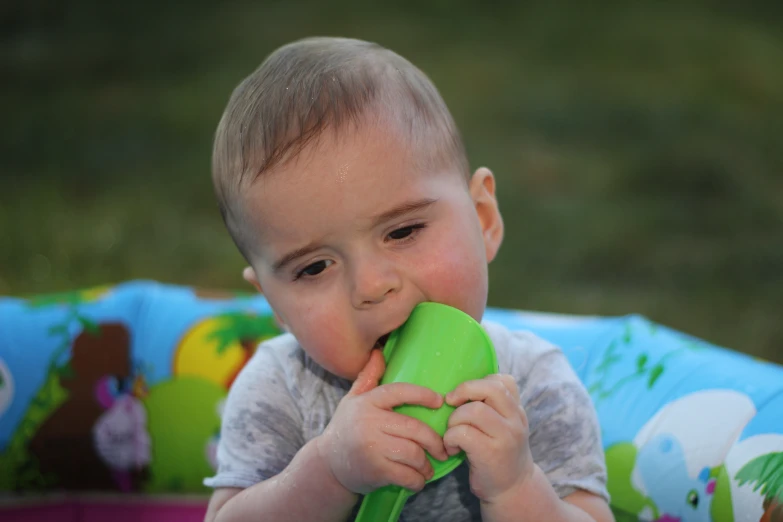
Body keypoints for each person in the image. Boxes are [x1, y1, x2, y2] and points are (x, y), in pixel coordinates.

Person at [203, 36, 614, 522]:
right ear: (273, 300)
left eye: (403, 231)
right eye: (313, 267)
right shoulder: (281, 391)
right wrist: (327, 472)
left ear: (483, 219)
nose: (372, 285)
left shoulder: (536, 387)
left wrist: (518, 485)